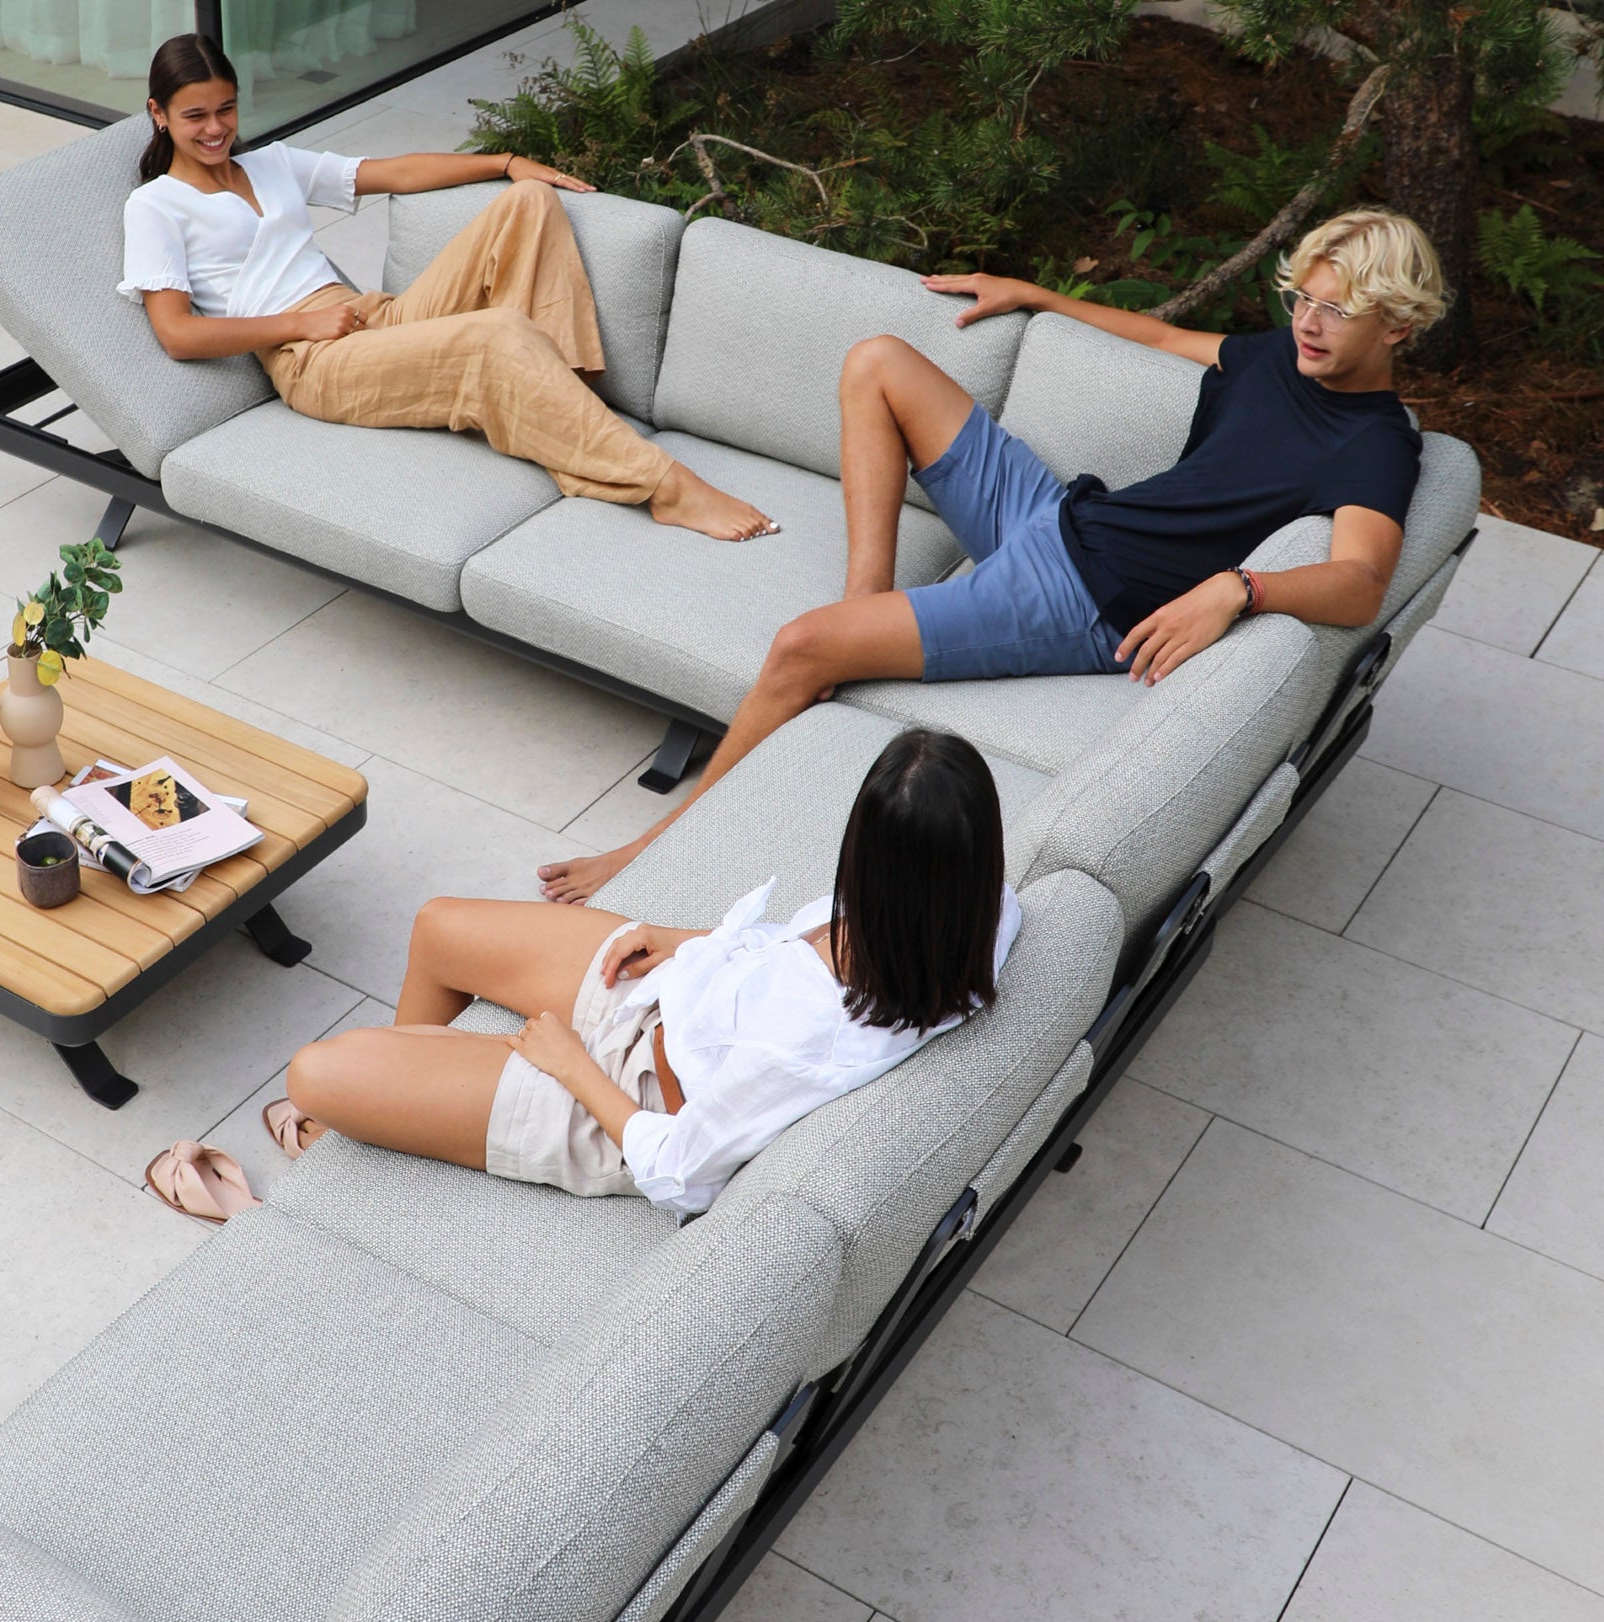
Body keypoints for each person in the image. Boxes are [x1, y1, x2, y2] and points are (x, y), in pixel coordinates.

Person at [538, 207, 1444, 904]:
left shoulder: (1373, 445)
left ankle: (649, 846)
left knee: (798, 646)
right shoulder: (1279, 361)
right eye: (1304, 300)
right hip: (1064, 517)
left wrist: (1240, 588)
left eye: (1338, 311)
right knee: (878, 361)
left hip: (1087, 597)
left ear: (1399, 327)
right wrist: (1038, 296)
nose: (1309, 324)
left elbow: (1360, 583)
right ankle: (867, 610)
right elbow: (1170, 340)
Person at [263, 728, 1019, 1220]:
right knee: (437, 927)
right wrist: (686, 941)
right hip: (675, 995)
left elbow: (684, 1172)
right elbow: (790, 958)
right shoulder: (985, 917)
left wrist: (570, 1065)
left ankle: (378, 1104)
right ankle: (407, 1092)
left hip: (630, 1098)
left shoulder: (809, 1038)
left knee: (315, 1073)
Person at [119, 33, 777, 541]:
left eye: (226, 109)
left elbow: (397, 171)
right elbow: (178, 334)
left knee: (529, 206)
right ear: (159, 114)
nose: (215, 129)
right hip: (313, 359)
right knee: (497, 334)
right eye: (195, 115)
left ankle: (557, 397)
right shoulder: (156, 207)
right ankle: (665, 486)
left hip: (370, 317)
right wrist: (299, 326)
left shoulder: (271, 164)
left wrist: (506, 162)